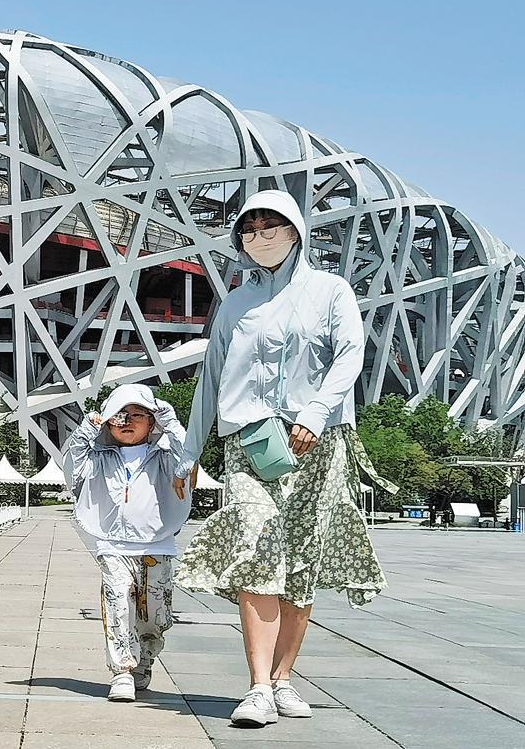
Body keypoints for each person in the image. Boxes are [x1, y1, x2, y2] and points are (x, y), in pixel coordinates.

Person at [171, 189, 396, 728]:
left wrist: (315, 413)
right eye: (249, 229)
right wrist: (189, 452)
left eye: (270, 225)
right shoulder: (235, 303)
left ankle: (282, 679)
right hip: (249, 442)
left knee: (300, 562)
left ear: (296, 230)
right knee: (255, 544)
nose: (259, 237)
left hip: (317, 442)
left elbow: (351, 355)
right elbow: (211, 378)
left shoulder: (330, 290)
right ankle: (256, 687)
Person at [53, 383, 194, 702]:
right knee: (118, 601)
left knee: (155, 615)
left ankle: (145, 657)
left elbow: (187, 455)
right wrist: (87, 430)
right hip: (112, 545)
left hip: (157, 545)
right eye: (120, 415)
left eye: (137, 415)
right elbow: (72, 467)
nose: (127, 421)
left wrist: (170, 420)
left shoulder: (164, 457)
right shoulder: (99, 458)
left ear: (152, 421)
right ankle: (122, 671)